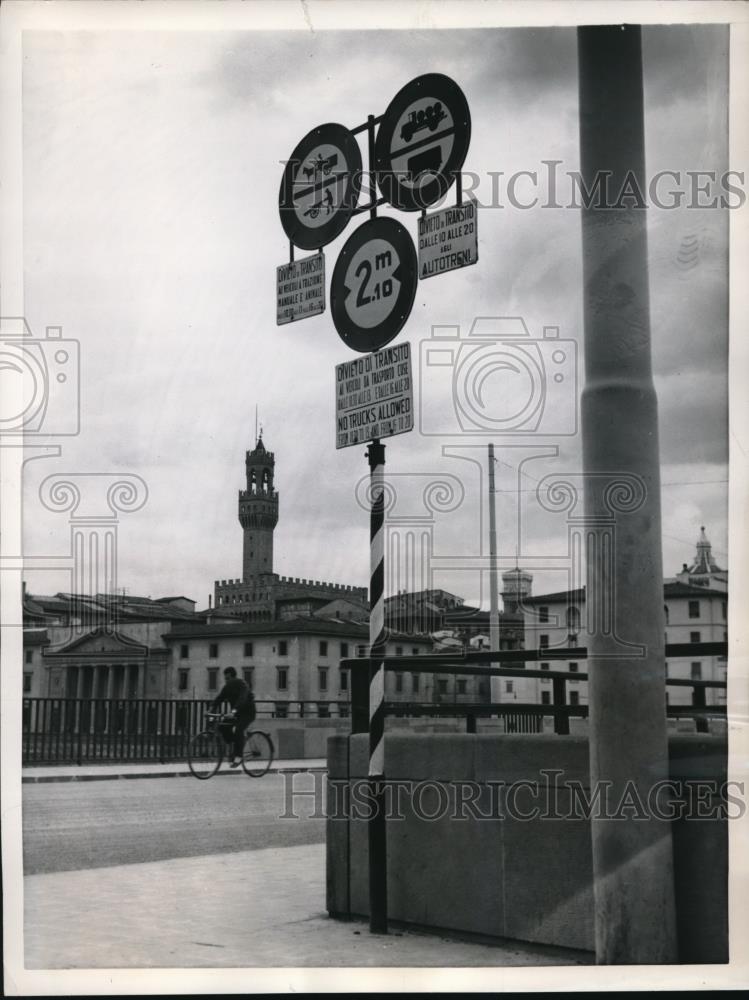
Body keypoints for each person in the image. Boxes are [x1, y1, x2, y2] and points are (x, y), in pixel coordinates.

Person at [212, 667, 255, 768]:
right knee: (222, 727)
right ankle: (237, 744)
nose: (227, 681)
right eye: (225, 679)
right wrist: (211, 709)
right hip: (236, 713)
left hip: (248, 713)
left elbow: (242, 698)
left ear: (233, 677)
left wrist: (234, 710)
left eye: (228, 678)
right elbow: (220, 698)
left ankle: (238, 757)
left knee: (238, 730)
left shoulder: (242, 684)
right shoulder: (227, 687)